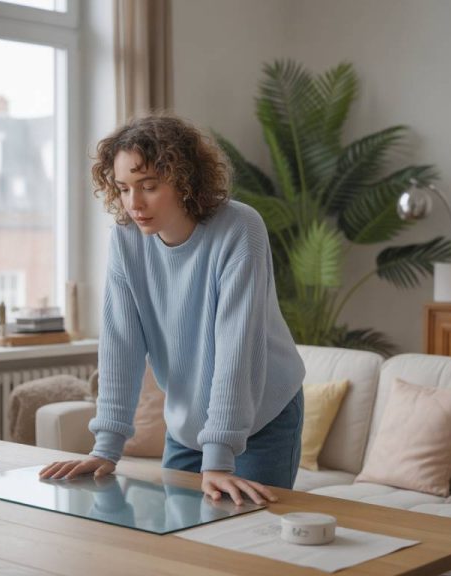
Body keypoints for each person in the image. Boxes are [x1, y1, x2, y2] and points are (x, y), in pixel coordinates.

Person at [40, 113, 305, 506]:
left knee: (249, 546)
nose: (134, 203)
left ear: (184, 180)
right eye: (124, 188)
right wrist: (106, 448)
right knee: (181, 548)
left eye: (149, 186)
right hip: (186, 426)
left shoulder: (239, 228)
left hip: (262, 419)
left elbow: (237, 350)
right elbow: (120, 346)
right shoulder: (126, 241)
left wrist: (218, 459)